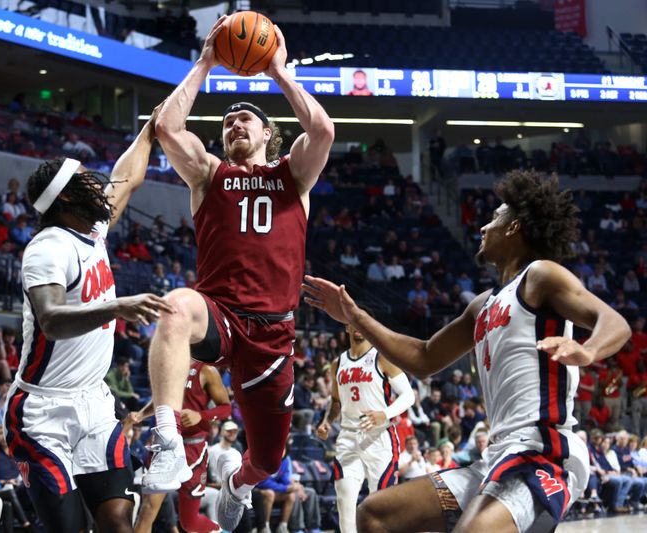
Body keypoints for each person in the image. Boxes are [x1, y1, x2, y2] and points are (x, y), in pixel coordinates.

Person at [302, 171, 631, 532]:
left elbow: (614, 322)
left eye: (494, 219)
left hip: (544, 454)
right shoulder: (482, 306)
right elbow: (424, 357)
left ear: (514, 227)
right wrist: (355, 316)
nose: (483, 228)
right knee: (375, 514)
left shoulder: (541, 275)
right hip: (496, 456)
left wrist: (586, 350)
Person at [143, 15, 334, 531]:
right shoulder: (208, 174)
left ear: (269, 134)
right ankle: (165, 441)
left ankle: (239, 484)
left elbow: (322, 129)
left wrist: (278, 69)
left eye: (246, 119)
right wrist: (206, 60)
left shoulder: (293, 175)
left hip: (272, 330)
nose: (235, 125)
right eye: (228, 122)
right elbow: (165, 127)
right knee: (175, 306)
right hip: (220, 313)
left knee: (269, 458)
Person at [3, 107, 172, 533]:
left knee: (118, 521)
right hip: (41, 412)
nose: (96, 183)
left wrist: (150, 131)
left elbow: (127, 178)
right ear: (65, 198)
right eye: (83, 179)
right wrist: (116, 307)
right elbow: (52, 320)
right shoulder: (47, 248)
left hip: (94, 403)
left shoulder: (92, 228)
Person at [315, 308, 414, 533]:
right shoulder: (337, 363)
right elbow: (335, 400)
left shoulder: (382, 356)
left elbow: (409, 396)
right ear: (347, 327)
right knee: (345, 500)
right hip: (349, 437)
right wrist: (327, 421)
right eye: (354, 322)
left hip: (380, 437)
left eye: (363, 322)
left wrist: (385, 414)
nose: (358, 327)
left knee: (380, 504)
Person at [131, 361, 230, 533]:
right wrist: (141, 415)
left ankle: (217, 530)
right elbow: (160, 402)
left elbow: (226, 408)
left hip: (194, 449)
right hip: (167, 446)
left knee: (189, 523)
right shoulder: (168, 366)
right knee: (147, 511)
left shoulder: (206, 370)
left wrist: (201, 415)